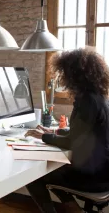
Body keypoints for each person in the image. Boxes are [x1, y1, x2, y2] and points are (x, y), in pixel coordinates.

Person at [25, 49, 109, 213]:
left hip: (94, 176)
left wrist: (44, 136)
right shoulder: (98, 97)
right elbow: (83, 133)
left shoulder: (87, 101)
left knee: (34, 176)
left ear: (74, 75)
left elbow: (74, 142)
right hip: (102, 171)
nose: (61, 77)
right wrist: (54, 131)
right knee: (56, 172)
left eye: (63, 73)